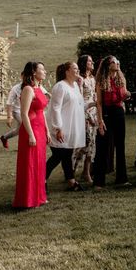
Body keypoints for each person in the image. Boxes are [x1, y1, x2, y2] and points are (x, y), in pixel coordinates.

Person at [13, 62, 50, 208]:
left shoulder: (39, 87)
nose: (45, 71)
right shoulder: (28, 89)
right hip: (31, 129)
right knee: (30, 163)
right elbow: (24, 113)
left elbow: (42, 112)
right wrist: (31, 135)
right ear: (34, 72)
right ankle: (28, 199)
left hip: (40, 128)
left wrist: (47, 130)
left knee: (39, 163)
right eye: (42, 69)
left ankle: (39, 196)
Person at [46, 62, 87, 192]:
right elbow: (55, 108)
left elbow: (79, 105)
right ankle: (41, 179)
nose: (78, 70)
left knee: (66, 154)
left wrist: (93, 103)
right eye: (75, 68)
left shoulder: (75, 85)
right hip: (60, 128)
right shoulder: (60, 86)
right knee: (58, 155)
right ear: (67, 71)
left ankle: (71, 182)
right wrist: (58, 128)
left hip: (70, 127)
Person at [93, 56, 131, 190]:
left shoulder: (121, 78)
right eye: (114, 62)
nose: (117, 64)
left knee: (120, 146)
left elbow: (124, 95)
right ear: (108, 65)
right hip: (106, 113)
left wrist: (127, 95)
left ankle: (122, 178)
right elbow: (99, 103)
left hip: (119, 113)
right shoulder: (101, 81)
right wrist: (100, 120)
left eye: (118, 61)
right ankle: (99, 181)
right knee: (103, 147)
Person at [72, 55, 98, 184]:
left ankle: (86, 172)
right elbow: (79, 100)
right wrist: (88, 116)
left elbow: (95, 95)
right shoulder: (79, 79)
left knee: (92, 144)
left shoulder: (92, 78)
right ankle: (71, 171)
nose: (92, 62)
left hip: (94, 112)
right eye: (89, 60)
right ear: (83, 63)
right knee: (83, 143)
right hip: (84, 112)